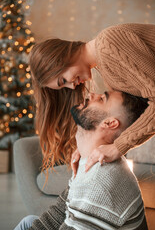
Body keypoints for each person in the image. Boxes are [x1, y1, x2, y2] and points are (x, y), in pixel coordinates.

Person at [29, 23, 155, 175]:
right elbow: (143, 115)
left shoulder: (109, 43)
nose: (71, 87)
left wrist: (118, 147)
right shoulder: (107, 70)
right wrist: (88, 148)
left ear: (60, 59)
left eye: (63, 80)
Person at [14, 91, 148, 230]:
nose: (91, 94)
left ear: (109, 123)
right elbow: (60, 212)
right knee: (29, 222)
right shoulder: (89, 161)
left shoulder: (100, 181)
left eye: (102, 99)